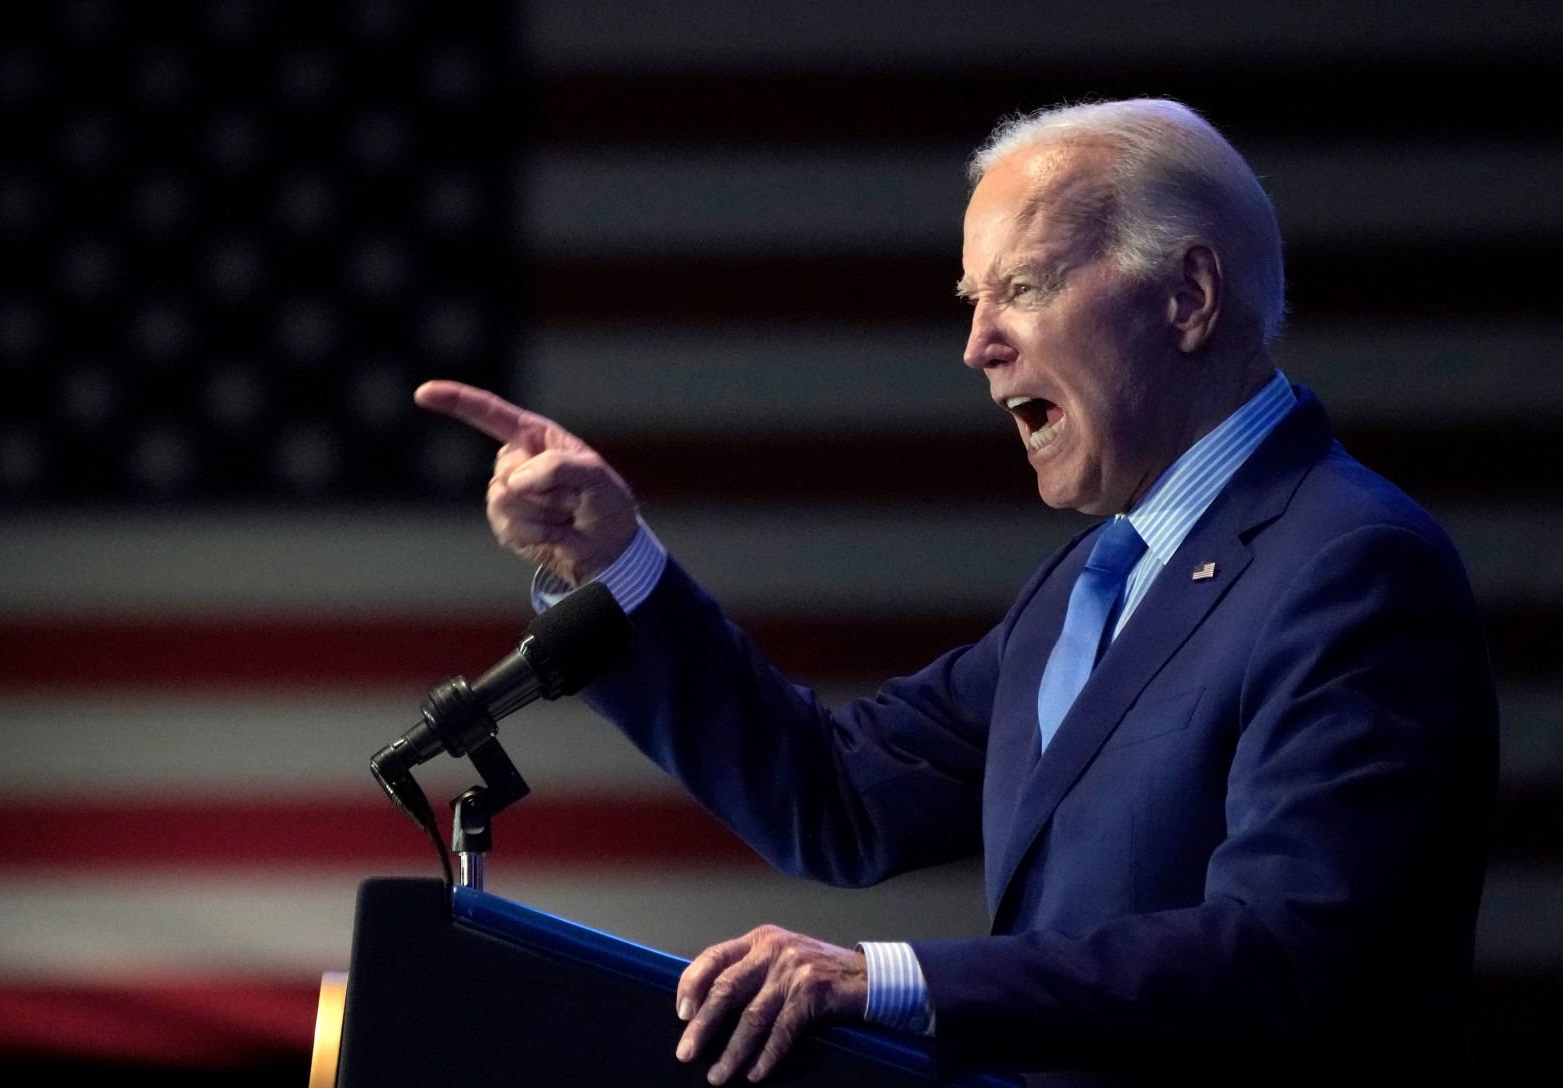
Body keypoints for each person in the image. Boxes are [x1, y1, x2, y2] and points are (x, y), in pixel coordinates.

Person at [416, 99, 1497, 1086]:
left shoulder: (1351, 563)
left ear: (1189, 295)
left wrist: (883, 978)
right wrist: (613, 562)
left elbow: (1283, 951)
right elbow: (837, 797)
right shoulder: (1090, 583)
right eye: (974, 299)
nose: (978, 345)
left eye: (1022, 287)